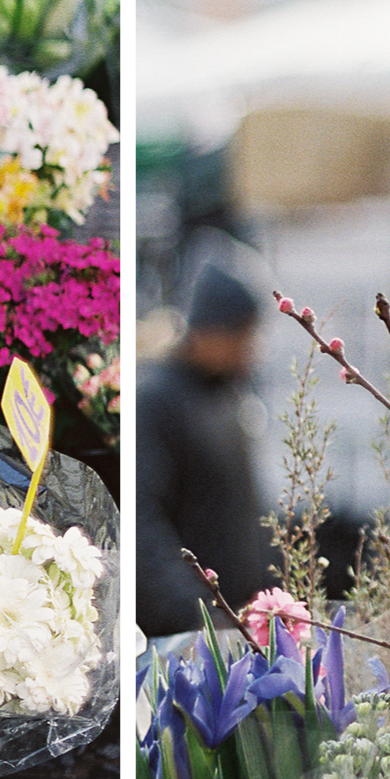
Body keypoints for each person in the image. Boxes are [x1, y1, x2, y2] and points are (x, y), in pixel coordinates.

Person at [136, 262, 273, 637]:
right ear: (207, 331)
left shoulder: (227, 396)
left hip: (235, 625)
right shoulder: (156, 401)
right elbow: (142, 523)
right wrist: (195, 615)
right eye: (241, 336)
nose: (251, 350)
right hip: (188, 635)